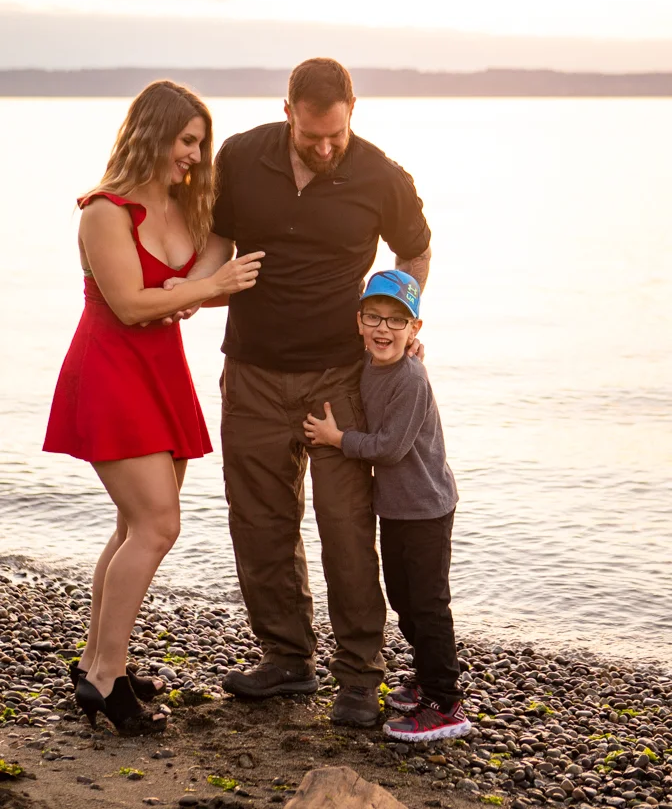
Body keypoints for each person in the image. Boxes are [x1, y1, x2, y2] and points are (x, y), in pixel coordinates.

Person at [165, 57, 431, 727]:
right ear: (288, 111)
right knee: (259, 522)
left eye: (335, 133)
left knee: (344, 528)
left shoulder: (380, 175)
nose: (323, 145)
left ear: (351, 111)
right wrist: (195, 288)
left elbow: (416, 250)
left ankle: (359, 677)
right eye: (312, 133)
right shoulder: (241, 156)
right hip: (252, 369)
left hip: (340, 377)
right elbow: (219, 241)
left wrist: (399, 323)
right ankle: (286, 658)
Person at [43, 80, 264, 735]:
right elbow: (130, 303)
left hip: (161, 372)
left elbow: (212, 255)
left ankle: (95, 664)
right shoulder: (104, 211)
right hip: (112, 372)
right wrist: (202, 286)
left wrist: (201, 280)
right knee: (158, 526)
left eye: (201, 142)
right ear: (151, 132)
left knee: (133, 524)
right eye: (186, 140)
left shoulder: (180, 203)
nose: (195, 154)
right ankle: (108, 680)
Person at [303, 269, 471, 742]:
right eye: (374, 317)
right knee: (403, 600)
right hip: (396, 507)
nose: (383, 329)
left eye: (397, 321)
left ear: (414, 329)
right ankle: (427, 677)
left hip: (426, 506)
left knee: (429, 605)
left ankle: (445, 703)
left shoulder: (410, 378)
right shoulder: (369, 362)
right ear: (358, 321)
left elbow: (392, 447)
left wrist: (338, 439)